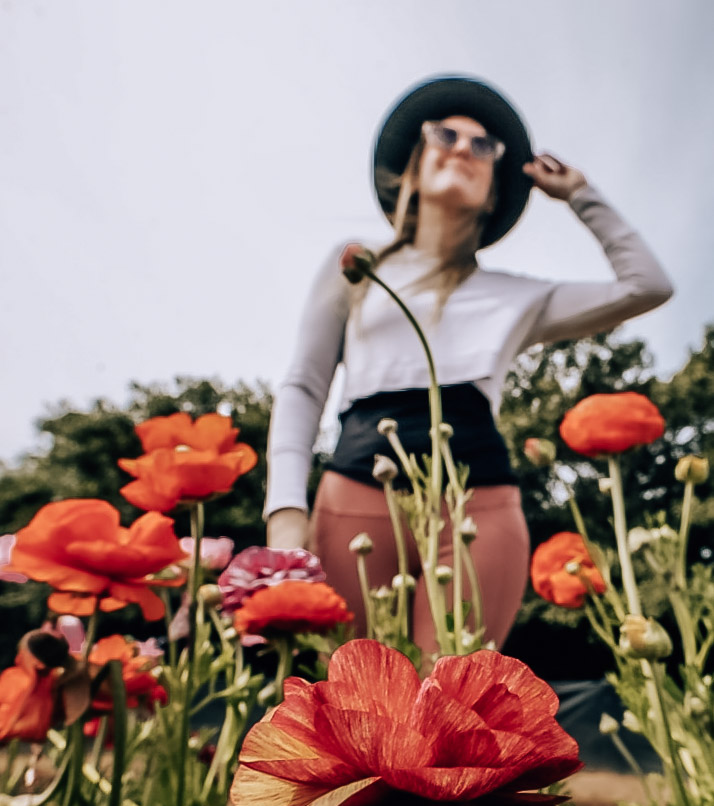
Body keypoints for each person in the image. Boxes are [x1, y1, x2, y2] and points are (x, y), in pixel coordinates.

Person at [263, 75, 673, 654]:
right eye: (445, 134)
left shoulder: (519, 297)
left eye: (484, 146)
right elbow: (304, 386)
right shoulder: (354, 265)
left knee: (454, 702)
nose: (462, 147)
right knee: (350, 704)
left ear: (496, 187)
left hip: (478, 506)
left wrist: (582, 195)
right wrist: (286, 509)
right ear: (414, 162)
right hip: (354, 491)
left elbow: (647, 285)